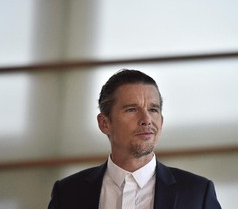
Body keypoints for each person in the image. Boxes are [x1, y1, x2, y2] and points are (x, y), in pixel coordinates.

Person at [48, 69, 222, 209]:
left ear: (161, 121)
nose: (146, 119)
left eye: (153, 109)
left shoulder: (198, 193)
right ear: (104, 123)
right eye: (132, 109)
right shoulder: (67, 193)